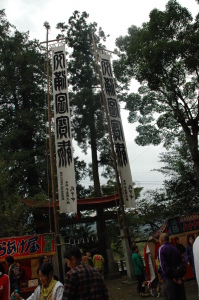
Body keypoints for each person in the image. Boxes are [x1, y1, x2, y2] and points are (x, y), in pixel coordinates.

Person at [158, 233, 186, 300]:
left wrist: (172, 277)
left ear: (161, 240)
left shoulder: (161, 249)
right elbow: (181, 263)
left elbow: (163, 266)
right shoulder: (175, 248)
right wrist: (179, 277)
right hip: (179, 280)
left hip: (169, 281)